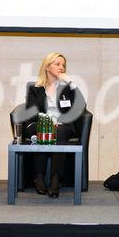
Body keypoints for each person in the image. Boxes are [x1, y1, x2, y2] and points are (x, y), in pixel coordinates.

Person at [25, 52, 86, 198]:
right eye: (57, 64)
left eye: (63, 65)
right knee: (43, 129)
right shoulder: (35, 87)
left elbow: (81, 107)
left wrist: (71, 83)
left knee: (59, 132)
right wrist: (48, 120)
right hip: (39, 123)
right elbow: (31, 112)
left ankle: (55, 179)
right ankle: (38, 177)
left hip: (62, 125)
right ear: (47, 67)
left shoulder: (66, 87)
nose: (61, 67)